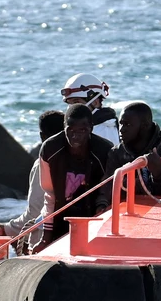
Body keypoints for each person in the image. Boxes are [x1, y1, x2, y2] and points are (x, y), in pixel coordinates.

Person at [36, 104, 114, 246]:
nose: (76, 135)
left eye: (82, 130)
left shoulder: (105, 151)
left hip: (94, 219)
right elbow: (50, 194)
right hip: (61, 219)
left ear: (91, 127)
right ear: (64, 126)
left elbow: (109, 190)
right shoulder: (50, 150)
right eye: (70, 130)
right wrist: (45, 237)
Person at [108, 100, 161, 196]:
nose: (121, 129)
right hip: (127, 208)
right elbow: (107, 189)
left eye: (127, 125)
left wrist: (159, 175)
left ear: (145, 125)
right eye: (120, 124)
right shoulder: (117, 152)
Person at [20, 108, 66, 229]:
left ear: (42, 136)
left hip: (45, 231)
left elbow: (33, 213)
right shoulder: (79, 158)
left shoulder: (42, 164)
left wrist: (7, 228)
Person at [61, 72, 120, 146]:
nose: (71, 108)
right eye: (69, 103)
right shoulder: (114, 124)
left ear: (95, 102)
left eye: (76, 102)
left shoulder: (97, 132)